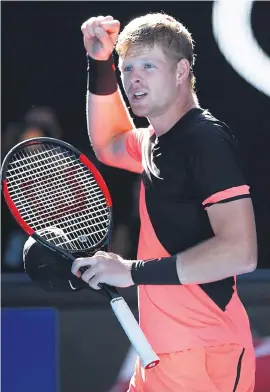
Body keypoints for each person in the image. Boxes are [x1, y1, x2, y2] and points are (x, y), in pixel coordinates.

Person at [72, 13, 258, 392]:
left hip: (203, 352)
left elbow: (241, 252)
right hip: (163, 353)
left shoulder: (205, 141)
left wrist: (132, 271)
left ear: (180, 71)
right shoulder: (155, 141)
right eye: (127, 69)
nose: (134, 78)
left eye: (148, 66)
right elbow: (110, 142)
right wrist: (100, 63)